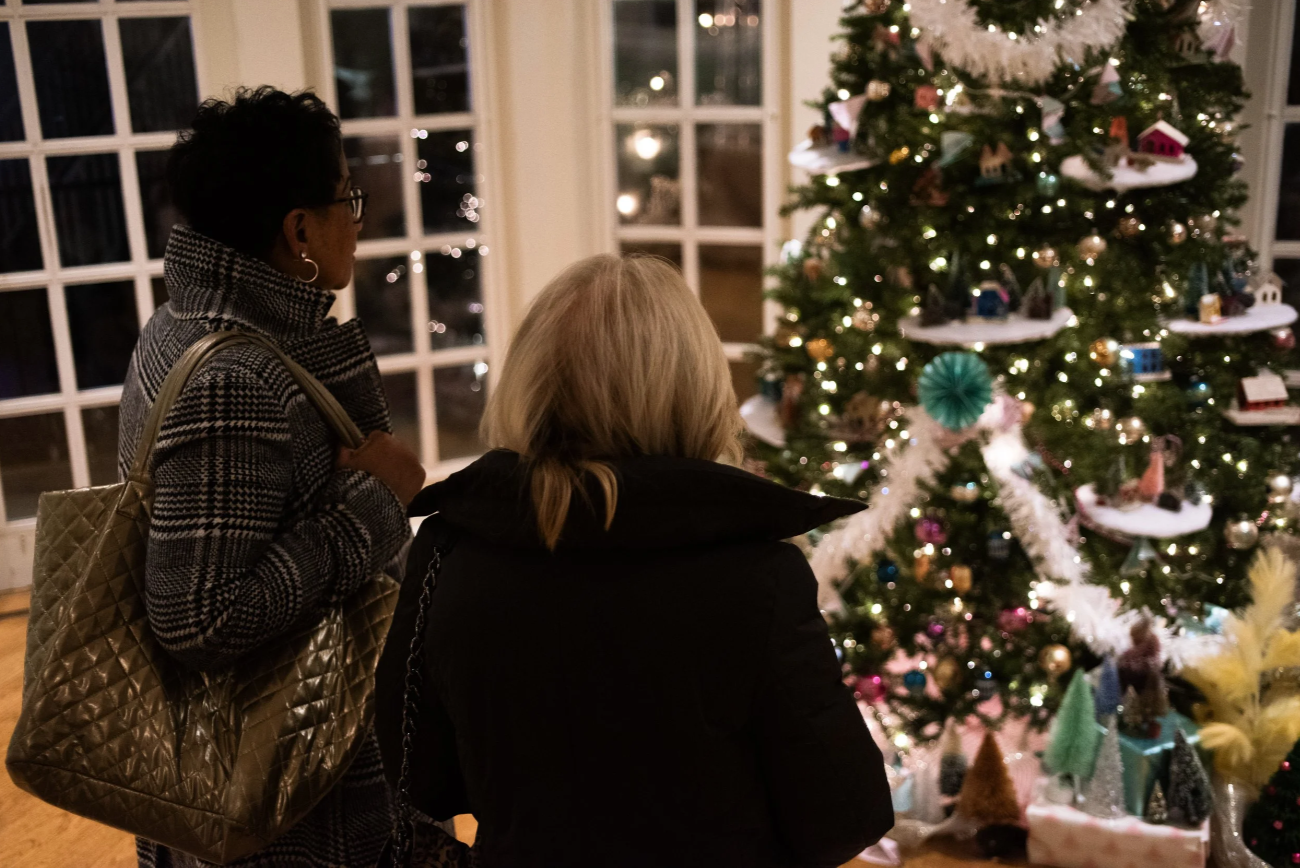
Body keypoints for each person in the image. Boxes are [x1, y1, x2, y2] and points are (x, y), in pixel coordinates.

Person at [375, 255, 894, 867]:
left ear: (529, 380)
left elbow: (421, 777)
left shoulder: (449, 551)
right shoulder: (757, 578)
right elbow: (843, 817)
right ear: (696, 388)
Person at [118, 87, 427, 868]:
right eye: (346, 198)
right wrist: (375, 502)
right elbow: (200, 617)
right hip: (285, 815)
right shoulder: (235, 378)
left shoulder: (184, 325)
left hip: (243, 783)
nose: (358, 218)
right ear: (299, 231)